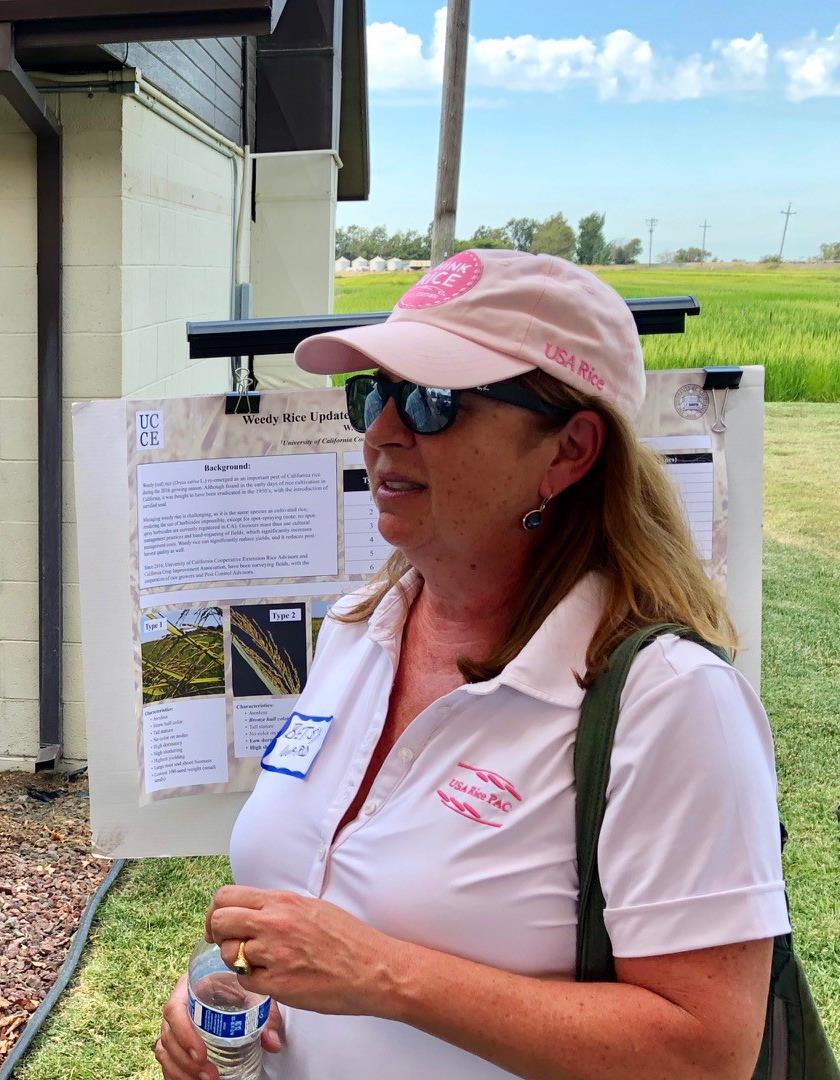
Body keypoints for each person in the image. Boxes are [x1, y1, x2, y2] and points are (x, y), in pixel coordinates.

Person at [156, 249, 788, 1080]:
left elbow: (707, 1053)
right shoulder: (357, 630)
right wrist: (220, 988)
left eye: (433, 401)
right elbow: (319, 911)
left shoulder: (669, 701)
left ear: (569, 452)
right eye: (372, 393)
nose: (383, 429)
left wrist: (383, 975)